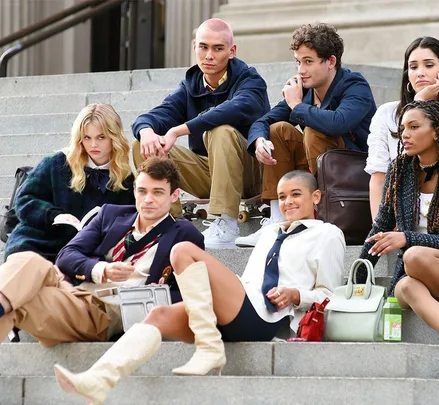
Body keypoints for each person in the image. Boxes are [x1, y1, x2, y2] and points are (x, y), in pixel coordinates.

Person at [53, 170, 345, 404]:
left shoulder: (328, 235)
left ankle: (209, 348)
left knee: (181, 250)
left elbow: (330, 295)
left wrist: (297, 294)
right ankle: (97, 382)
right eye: (281, 196)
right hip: (238, 305)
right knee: (158, 316)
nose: (287, 202)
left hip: (267, 315)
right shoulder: (268, 233)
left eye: (296, 194)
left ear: (316, 196)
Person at [0, 157, 204, 347]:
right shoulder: (111, 214)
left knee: (15, 306)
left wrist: (154, 294)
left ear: (174, 195)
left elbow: (192, 295)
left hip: (104, 313)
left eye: (157, 192)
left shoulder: (185, 235)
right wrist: (102, 269)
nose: (148, 199)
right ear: (134, 191)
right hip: (73, 291)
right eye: (142, 191)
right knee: (26, 260)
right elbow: (67, 256)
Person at [359, 101, 439, 381]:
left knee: (415, 254)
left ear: (438, 131)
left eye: (414, 127)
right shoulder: (399, 171)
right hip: (412, 273)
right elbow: (380, 226)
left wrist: (406, 238)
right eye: (403, 128)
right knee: (405, 284)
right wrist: (358, 270)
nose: (405, 134)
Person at [131, 18, 270, 248]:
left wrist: (179, 129)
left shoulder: (250, 80)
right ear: (194, 46)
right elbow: (155, 115)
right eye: (203, 47)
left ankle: (226, 222)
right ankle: (168, 222)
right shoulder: (190, 86)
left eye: (218, 48)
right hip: (209, 173)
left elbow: (232, 109)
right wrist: (145, 131)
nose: (209, 55)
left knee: (220, 131)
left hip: (251, 172)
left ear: (232, 51)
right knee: (142, 145)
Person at [237, 23, 376, 247]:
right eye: (298, 62)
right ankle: (277, 220)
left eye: (308, 62)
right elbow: (264, 120)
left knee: (314, 130)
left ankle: (318, 215)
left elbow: (338, 123)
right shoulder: (306, 91)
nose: (301, 70)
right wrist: (259, 141)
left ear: (331, 61)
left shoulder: (354, 85)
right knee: (277, 130)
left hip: (350, 178)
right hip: (316, 171)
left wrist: (297, 105)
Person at [365, 36, 439, 220]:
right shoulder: (386, 114)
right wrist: (380, 228)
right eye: (413, 67)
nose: (420, 73)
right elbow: (379, 177)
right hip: (397, 215)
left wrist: (419, 104)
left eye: (428, 65)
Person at [5, 103, 136, 262]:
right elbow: (24, 199)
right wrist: (53, 215)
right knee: (23, 262)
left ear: (114, 137)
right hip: (39, 240)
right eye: (87, 137)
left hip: (84, 250)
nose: (93, 145)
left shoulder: (125, 179)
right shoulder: (57, 163)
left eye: (101, 137)